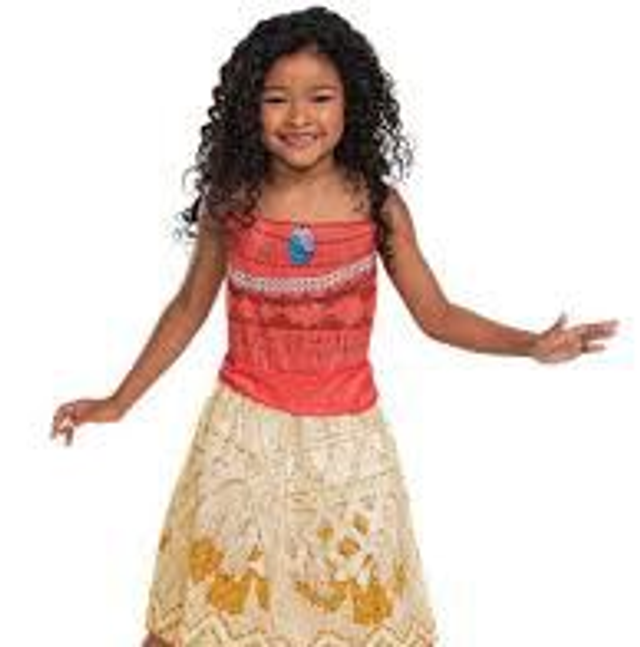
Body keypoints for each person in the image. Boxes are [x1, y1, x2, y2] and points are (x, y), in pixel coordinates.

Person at [50, 6, 619, 646]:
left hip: (348, 448)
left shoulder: (376, 205)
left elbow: (436, 315)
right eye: (276, 99)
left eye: (320, 98)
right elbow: (187, 309)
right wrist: (118, 402)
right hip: (242, 441)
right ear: (248, 108)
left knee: (356, 611)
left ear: (352, 102)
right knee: (210, 613)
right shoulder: (231, 202)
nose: (299, 117)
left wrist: (530, 344)